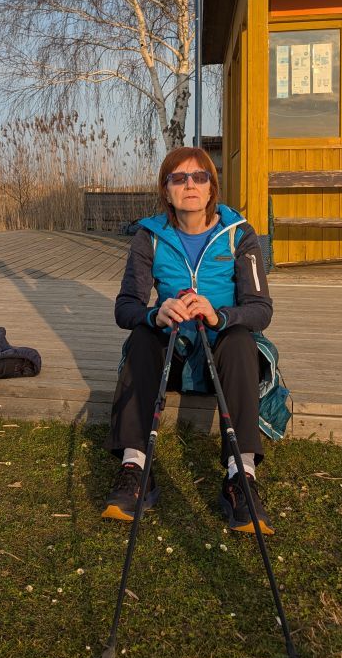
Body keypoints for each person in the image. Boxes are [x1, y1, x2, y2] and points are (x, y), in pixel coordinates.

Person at [101, 146, 275, 534]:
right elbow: (125, 307)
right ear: (166, 191)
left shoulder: (239, 233)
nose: (190, 185)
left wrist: (219, 315)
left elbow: (261, 308)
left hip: (225, 351)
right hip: (173, 350)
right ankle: (135, 469)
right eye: (178, 178)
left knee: (240, 339)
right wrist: (154, 313)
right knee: (143, 338)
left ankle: (239, 476)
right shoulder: (149, 236)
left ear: (212, 187)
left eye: (199, 177)